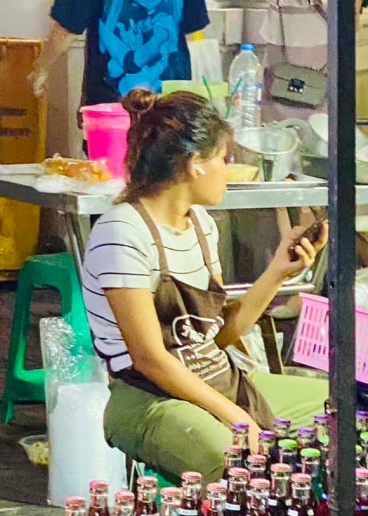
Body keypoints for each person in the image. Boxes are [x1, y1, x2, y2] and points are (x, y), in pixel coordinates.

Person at [82, 89, 329, 483]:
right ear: (195, 164)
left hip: (216, 379)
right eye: (224, 159)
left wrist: (278, 272)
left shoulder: (201, 225)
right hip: (150, 398)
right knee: (237, 464)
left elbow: (215, 336)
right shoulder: (122, 232)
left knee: (346, 413)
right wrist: (236, 417)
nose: (228, 171)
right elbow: (149, 358)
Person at [28, 0, 209, 104]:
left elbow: (66, 30)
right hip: (172, 104)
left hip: (113, 109)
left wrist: (41, 68)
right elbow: (192, 29)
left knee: (109, 160)